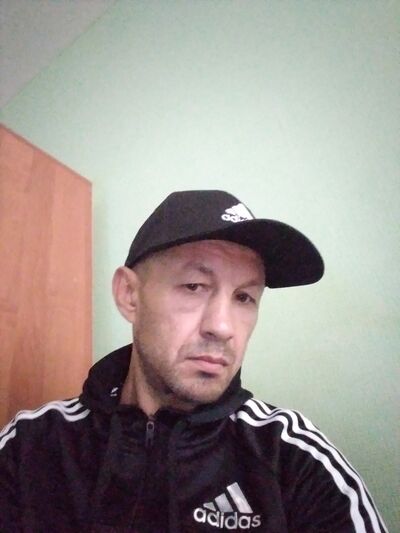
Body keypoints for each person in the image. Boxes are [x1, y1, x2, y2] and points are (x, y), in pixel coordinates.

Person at [0, 190, 387, 532]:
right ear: (129, 295)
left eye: (244, 297)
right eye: (194, 286)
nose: (223, 327)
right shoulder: (30, 446)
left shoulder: (294, 459)